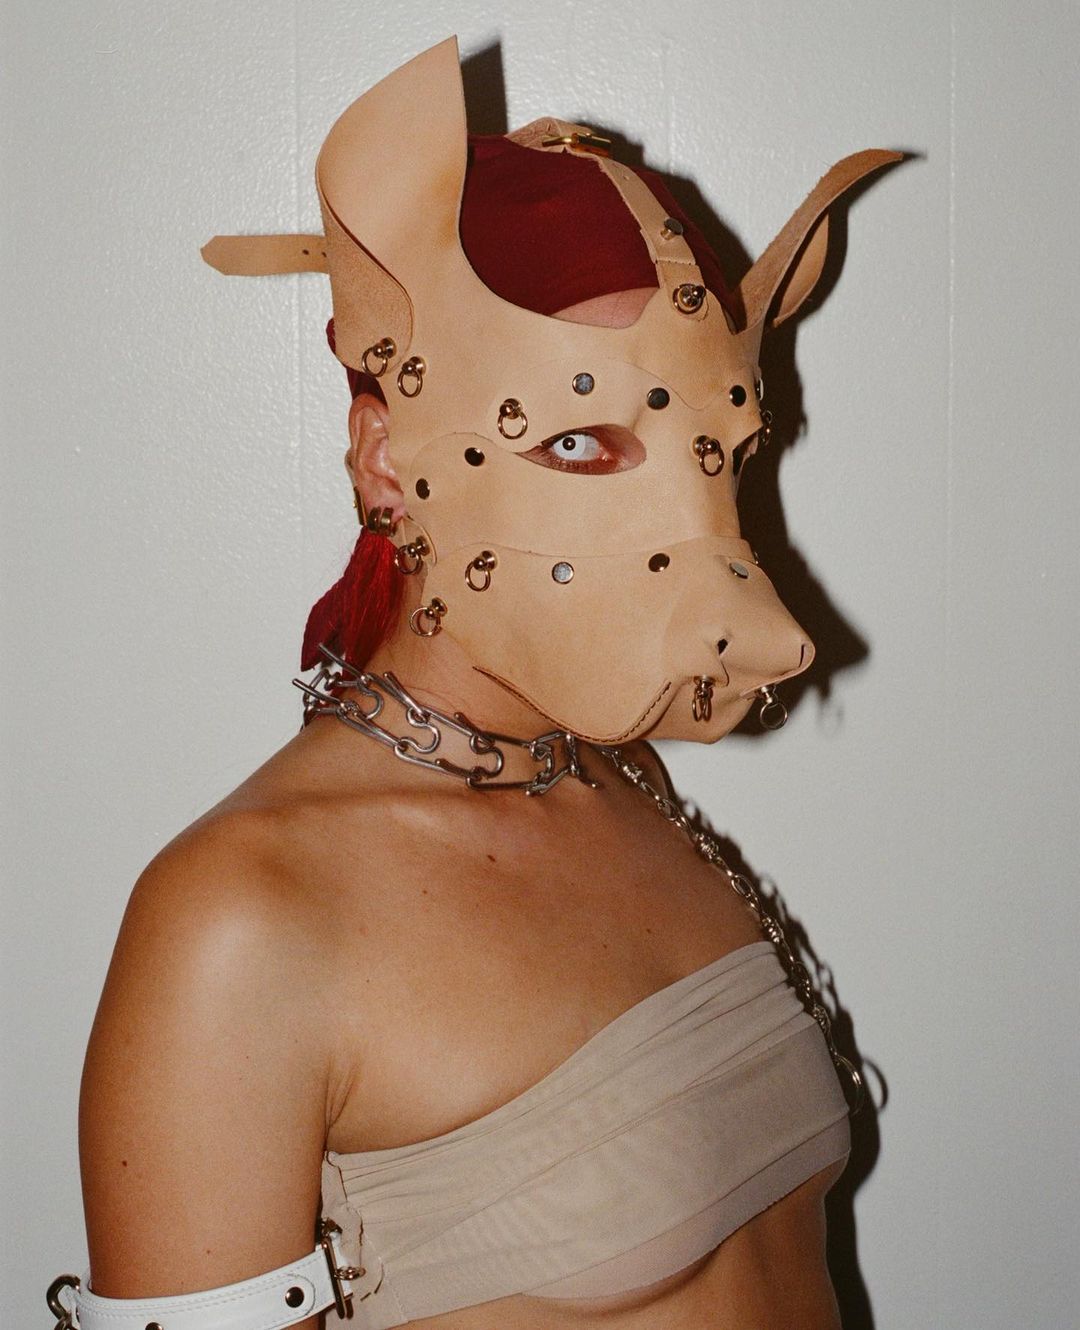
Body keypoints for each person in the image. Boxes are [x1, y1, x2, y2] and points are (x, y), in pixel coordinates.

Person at [51, 35, 899, 1330]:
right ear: (386, 456)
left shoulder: (624, 782)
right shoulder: (242, 919)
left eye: (713, 449)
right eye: (580, 441)